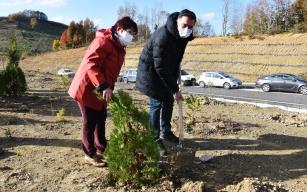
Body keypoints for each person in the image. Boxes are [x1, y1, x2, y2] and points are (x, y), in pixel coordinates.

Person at [68, 17, 138, 167]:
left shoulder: (119, 47)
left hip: (101, 89)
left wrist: (108, 88)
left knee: (101, 117)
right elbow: (91, 65)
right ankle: (89, 154)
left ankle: (101, 148)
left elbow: (110, 71)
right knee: (90, 121)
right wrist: (103, 86)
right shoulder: (103, 42)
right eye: (130, 32)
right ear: (120, 30)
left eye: (134, 34)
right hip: (87, 88)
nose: (131, 37)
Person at [136, 9, 196, 156]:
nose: (187, 29)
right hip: (150, 73)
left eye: (191, 27)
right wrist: (175, 89)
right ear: (177, 21)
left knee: (168, 100)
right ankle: (154, 138)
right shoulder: (163, 36)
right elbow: (160, 66)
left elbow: (176, 61)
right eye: (185, 25)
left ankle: (166, 132)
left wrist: (175, 80)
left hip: (163, 72)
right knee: (157, 103)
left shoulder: (182, 36)